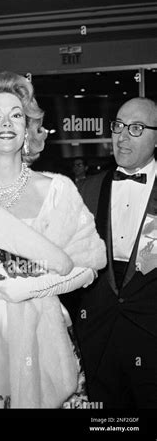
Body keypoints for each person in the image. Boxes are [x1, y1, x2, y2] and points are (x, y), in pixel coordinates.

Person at [0, 72, 106, 408]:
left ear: (28, 129)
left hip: (41, 327)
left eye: (16, 114)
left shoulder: (56, 190)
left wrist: (32, 288)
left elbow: (90, 265)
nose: (7, 122)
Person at [74, 97, 157, 408]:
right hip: (98, 336)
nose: (122, 136)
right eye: (118, 126)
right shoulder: (87, 189)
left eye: (136, 128)